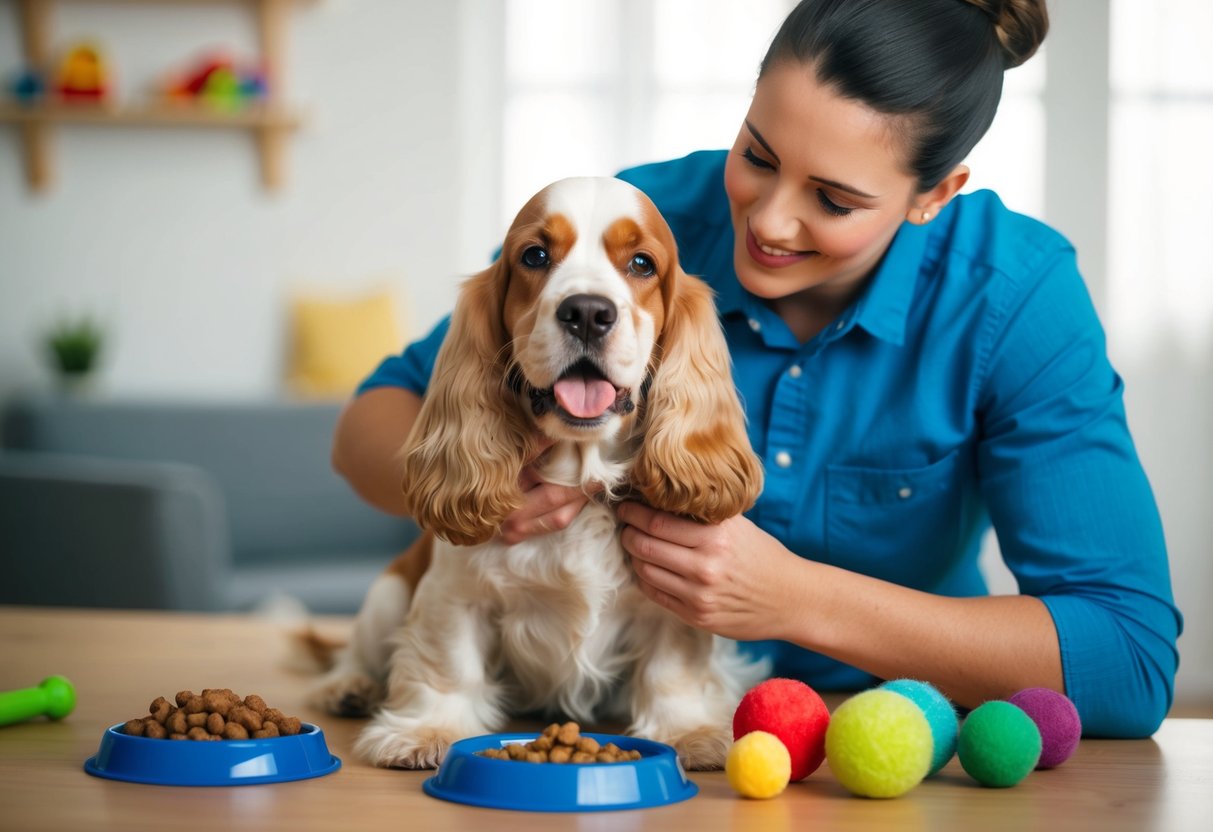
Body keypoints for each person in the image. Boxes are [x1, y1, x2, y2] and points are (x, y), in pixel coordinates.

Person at [333, 0, 1181, 737]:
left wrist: (794, 599)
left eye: (834, 200)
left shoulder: (1013, 296)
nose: (769, 222)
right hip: (603, 734)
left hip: (881, 736)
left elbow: (1128, 657)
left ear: (935, 193)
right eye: (759, 155)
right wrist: (482, 489)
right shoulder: (637, 233)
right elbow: (373, 420)